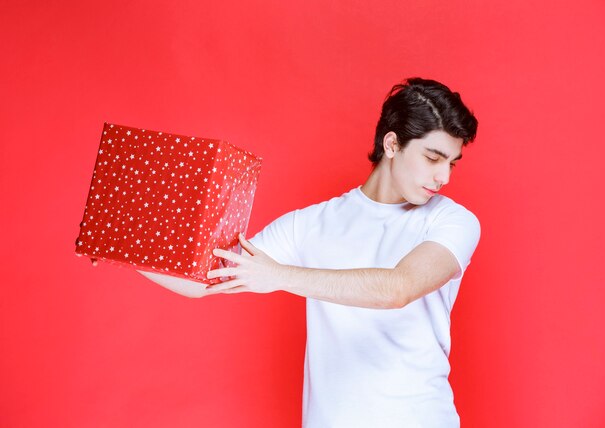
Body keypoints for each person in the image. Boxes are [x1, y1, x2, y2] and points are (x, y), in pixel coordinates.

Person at [141, 77, 480, 428]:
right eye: (432, 158)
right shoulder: (310, 225)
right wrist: (111, 248)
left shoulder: (452, 220)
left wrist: (278, 276)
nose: (444, 177)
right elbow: (205, 281)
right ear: (392, 144)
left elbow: (398, 288)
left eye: (452, 163)